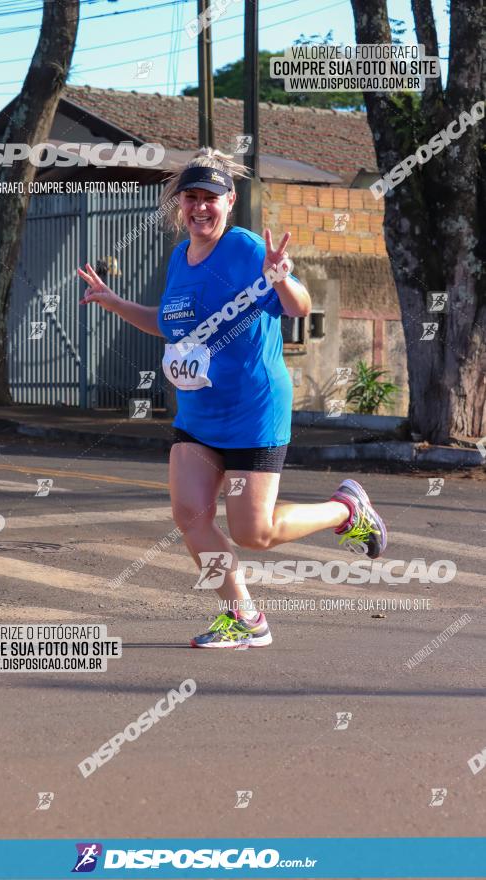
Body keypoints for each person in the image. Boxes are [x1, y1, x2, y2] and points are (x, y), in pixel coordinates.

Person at [78, 147, 387, 649]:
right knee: (190, 516)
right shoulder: (181, 256)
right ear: (180, 203)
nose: (200, 208)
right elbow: (169, 325)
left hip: (252, 414)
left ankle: (347, 511)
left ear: (230, 201)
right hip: (198, 416)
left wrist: (282, 275)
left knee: (253, 533)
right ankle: (244, 615)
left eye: (210, 199)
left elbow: (299, 307)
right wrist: (114, 303)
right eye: (191, 198)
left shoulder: (245, 249)